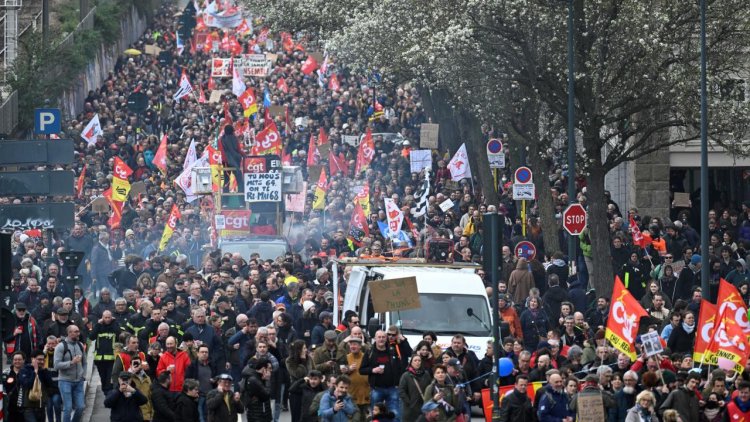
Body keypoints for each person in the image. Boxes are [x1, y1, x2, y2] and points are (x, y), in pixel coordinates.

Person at [360, 330, 406, 420]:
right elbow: (361, 370)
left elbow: (401, 366)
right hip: (377, 389)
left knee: (395, 414)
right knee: (377, 415)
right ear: (375, 339)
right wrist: (373, 370)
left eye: (383, 337)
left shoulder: (393, 351)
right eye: (379, 337)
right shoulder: (369, 352)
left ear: (386, 339)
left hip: (392, 388)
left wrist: (398, 382)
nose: (381, 339)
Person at [54, 325, 86, 422]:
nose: (78, 333)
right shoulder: (61, 347)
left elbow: (85, 362)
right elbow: (56, 365)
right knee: (68, 408)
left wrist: (83, 375)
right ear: (69, 333)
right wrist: (71, 362)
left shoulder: (80, 345)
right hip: (65, 381)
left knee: (80, 407)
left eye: (78, 331)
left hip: (79, 382)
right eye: (75, 332)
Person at [89, 310, 120, 395]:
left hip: (111, 359)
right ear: (102, 318)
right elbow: (91, 337)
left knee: (109, 378)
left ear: (111, 317)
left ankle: (108, 394)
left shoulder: (115, 325)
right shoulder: (98, 326)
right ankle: (106, 391)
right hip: (100, 359)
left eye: (109, 317)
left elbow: (119, 334)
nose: (107, 319)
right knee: (103, 377)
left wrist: (114, 322)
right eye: (105, 317)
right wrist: (98, 324)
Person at [20, 350, 55, 422]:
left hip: (41, 407)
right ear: (32, 359)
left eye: (43, 360)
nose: (42, 362)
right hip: (28, 408)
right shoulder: (24, 370)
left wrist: (45, 370)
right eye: (39, 359)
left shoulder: (44, 371)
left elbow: (50, 385)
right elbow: (27, 385)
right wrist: (35, 372)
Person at [398, 353, 432, 422]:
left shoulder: (426, 374)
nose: (417, 362)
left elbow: (430, 387)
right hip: (410, 409)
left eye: (419, 360)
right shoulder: (406, 375)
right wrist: (409, 402)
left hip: (423, 407)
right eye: (415, 360)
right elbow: (401, 391)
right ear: (411, 362)